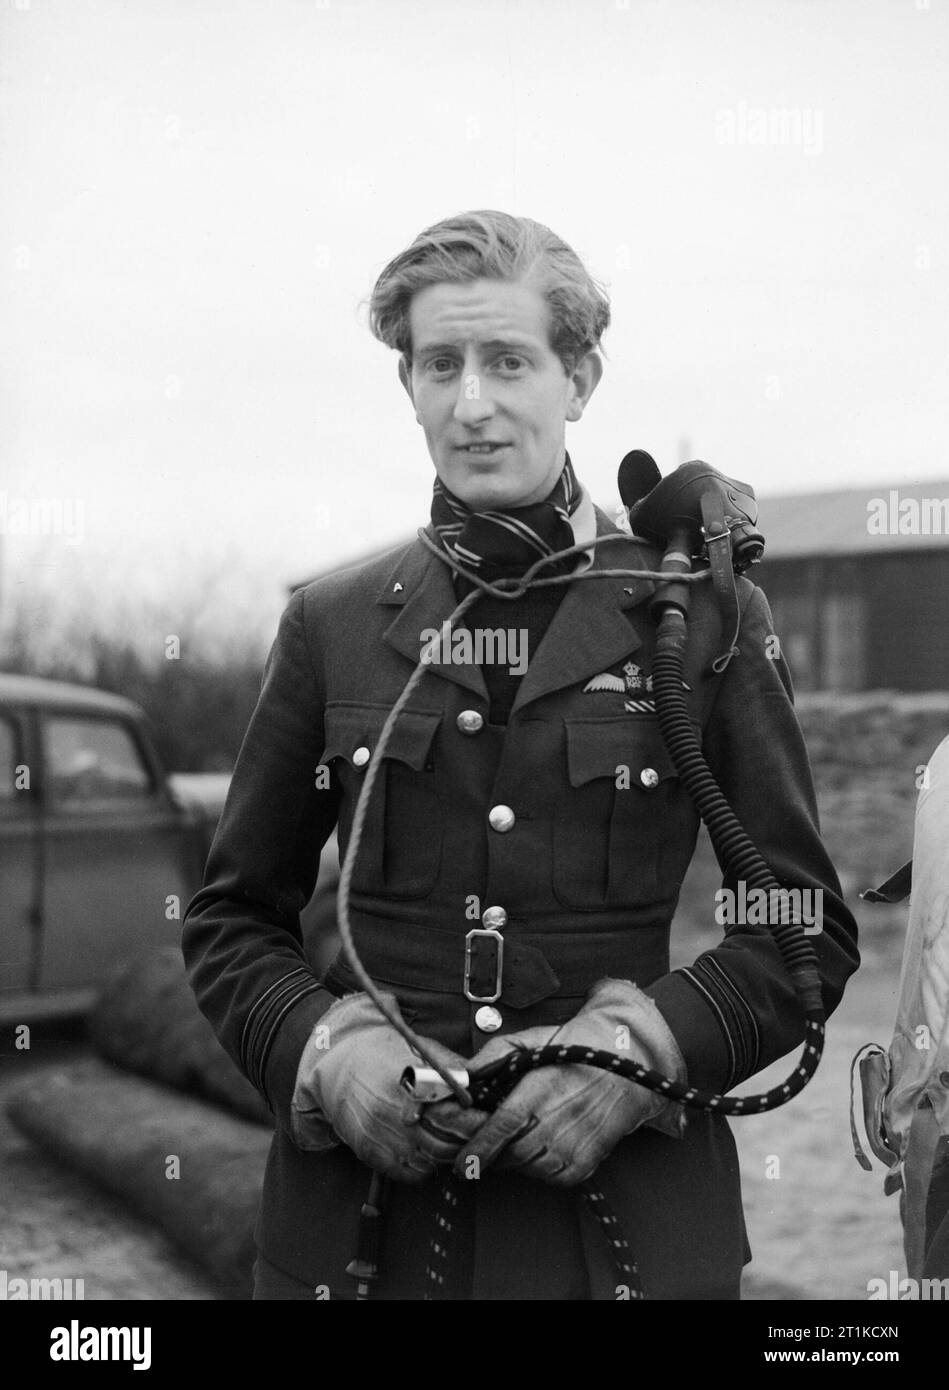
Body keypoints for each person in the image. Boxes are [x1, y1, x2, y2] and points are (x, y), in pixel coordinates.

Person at [181, 209, 860, 1300]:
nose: (472, 403)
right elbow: (229, 917)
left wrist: (650, 1055)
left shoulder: (698, 615)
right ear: (406, 381)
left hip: (622, 1242)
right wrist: (328, 1057)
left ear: (579, 376)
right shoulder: (332, 622)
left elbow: (802, 926)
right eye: (439, 364)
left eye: (508, 361)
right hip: (360, 1241)